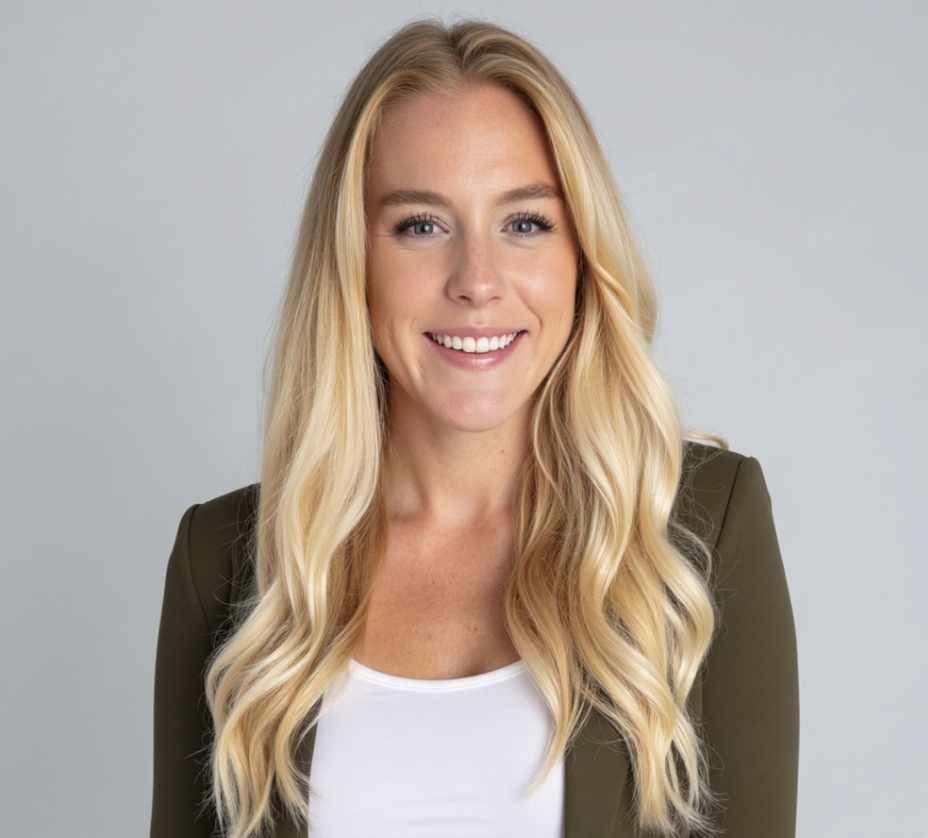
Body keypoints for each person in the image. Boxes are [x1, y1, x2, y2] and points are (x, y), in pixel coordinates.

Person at [151, 19, 798, 838]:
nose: (478, 282)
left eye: (524, 222)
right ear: (354, 263)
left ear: (581, 256)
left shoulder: (701, 526)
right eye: (421, 225)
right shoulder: (223, 560)